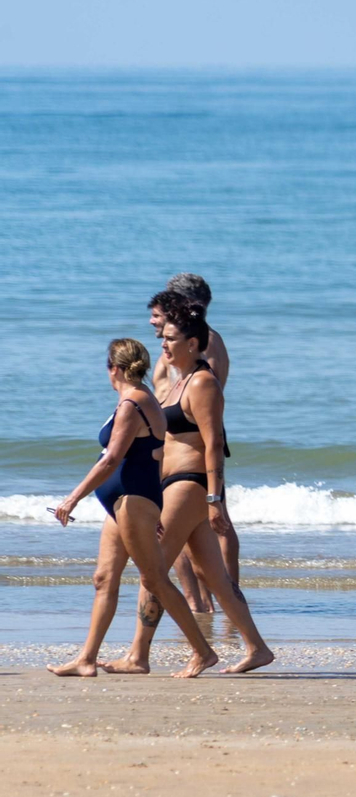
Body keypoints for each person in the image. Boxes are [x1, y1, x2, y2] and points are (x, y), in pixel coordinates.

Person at [101, 306, 275, 675]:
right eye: (162, 337)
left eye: (170, 338)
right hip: (170, 485)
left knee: (153, 571)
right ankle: (257, 648)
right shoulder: (178, 381)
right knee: (214, 577)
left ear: (193, 343)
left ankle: (140, 654)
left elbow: (213, 444)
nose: (162, 343)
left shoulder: (202, 383)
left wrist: (215, 499)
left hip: (191, 484)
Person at [47, 339, 218, 679]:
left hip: (131, 500)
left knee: (154, 578)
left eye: (107, 367)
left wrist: (73, 498)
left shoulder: (133, 403)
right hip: (128, 502)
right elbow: (157, 456)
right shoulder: (138, 400)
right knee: (103, 579)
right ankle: (86, 658)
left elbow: (111, 459)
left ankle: (203, 652)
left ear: (114, 368)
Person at [149, 279, 236, 613]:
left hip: (195, 455)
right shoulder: (175, 346)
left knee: (219, 524)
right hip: (172, 453)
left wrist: (213, 492)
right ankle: (203, 602)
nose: (155, 319)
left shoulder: (205, 343)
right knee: (190, 537)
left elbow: (206, 401)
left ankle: (215, 601)